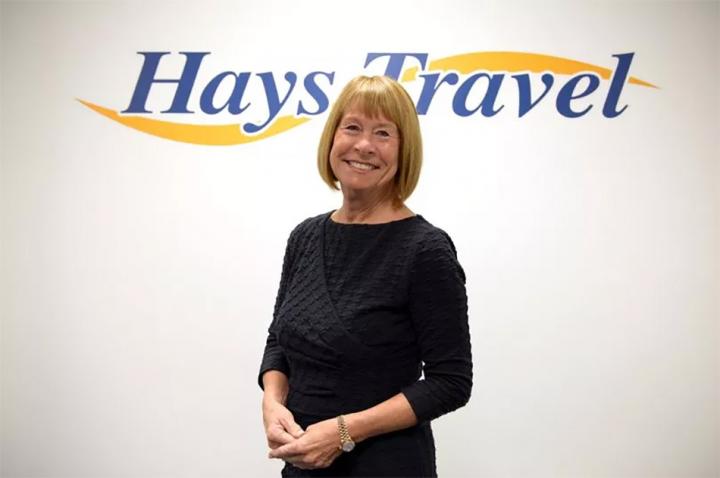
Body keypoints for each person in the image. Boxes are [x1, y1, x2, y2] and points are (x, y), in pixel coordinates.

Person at [258, 75, 472, 477]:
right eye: (352, 127)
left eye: (383, 133)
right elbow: (279, 341)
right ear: (332, 137)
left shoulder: (425, 249)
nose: (364, 145)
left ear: (404, 150)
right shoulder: (305, 237)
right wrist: (272, 403)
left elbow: (451, 381)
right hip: (302, 463)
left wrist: (343, 432)